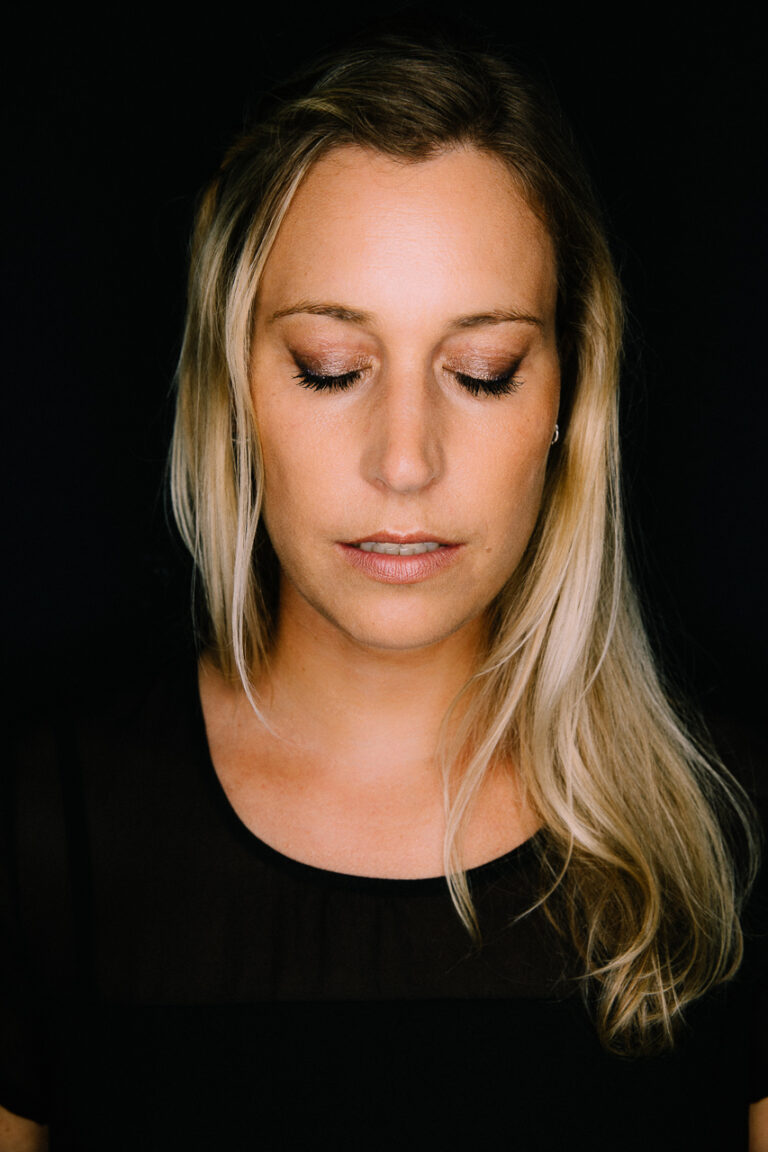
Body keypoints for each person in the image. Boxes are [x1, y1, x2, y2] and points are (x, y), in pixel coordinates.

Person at [1, 29, 766, 1152]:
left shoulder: (735, 835)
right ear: (235, 388)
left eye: (483, 373)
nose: (404, 461)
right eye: (331, 368)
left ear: (567, 398)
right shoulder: (43, 829)